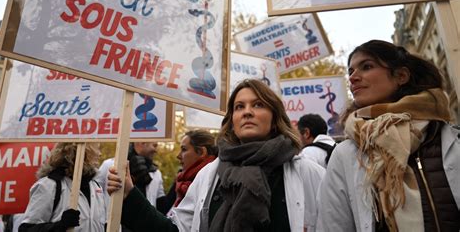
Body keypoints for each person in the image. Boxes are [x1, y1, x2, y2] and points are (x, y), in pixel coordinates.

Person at [108, 79, 325, 231]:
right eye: (239, 107)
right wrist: (130, 194)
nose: (247, 111)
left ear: (275, 116)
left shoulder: (307, 172)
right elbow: (175, 229)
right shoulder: (210, 175)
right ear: (232, 119)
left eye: (258, 104)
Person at [317, 40, 460, 231]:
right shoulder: (345, 153)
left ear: (400, 76)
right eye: (350, 72)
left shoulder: (446, 136)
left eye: (366, 67)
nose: (353, 78)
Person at [19, 143, 107, 232]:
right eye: (96, 150)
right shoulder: (49, 185)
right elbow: (26, 229)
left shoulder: (96, 186)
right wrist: (60, 226)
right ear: (78, 153)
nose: (99, 154)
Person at [96, 142, 165, 210]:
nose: (156, 151)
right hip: (112, 220)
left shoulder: (156, 173)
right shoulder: (109, 165)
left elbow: (162, 206)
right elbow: (94, 195)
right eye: (154, 145)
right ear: (142, 143)